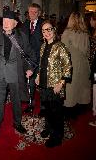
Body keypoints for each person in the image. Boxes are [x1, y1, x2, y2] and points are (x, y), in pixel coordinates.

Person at [0, 10, 36, 140]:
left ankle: (17, 123)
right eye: (4, 21)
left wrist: (30, 68)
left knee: (16, 102)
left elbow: (31, 53)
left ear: (15, 23)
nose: (5, 23)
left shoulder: (22, 36)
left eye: (9, 21)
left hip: (15, 74)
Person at [35, 20, 72, 148]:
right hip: (44, 84)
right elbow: (41, 64)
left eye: (49, 29)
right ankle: (49, 128)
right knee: (47, 109)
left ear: (54, 30)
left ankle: (57, 136)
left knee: (56, 112)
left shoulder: (60, 47)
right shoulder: (43, 46)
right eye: (44, 30)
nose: (46, 32)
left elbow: (68, 67)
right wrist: (38, 76)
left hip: (55, 86)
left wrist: (61, 83)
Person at [61, 11, 91, 119]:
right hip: (84, 65)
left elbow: (63, 51)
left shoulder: (67, 33)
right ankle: (80, 109)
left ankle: (69, 112)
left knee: (70, 89)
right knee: (82, 87)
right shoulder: (85, 33)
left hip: (72, 64)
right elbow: (88, 52)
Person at [22, 3, 44, 113]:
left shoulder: (43, 24)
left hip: (40, 59)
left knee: (42, 83)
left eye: (35, 12)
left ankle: (44, 107)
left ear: (39, 13)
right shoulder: (25, 24)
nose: (32, 14)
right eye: (31, 11)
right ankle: (31, 103)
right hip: (28, 60)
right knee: (29, 83)